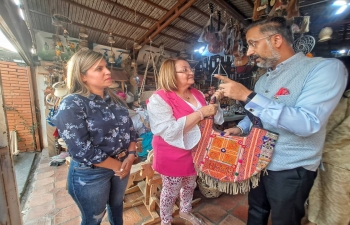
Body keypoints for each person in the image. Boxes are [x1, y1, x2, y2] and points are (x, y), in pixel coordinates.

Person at [215, 16, 348, 225]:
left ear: (276, 40)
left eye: (252, 44)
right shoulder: (263, 80)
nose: (249, 52)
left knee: (284, 220)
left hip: (291, 168)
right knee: (256, 211)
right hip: (257, 160)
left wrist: (247, 96)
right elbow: (256, 116)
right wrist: (240, 129)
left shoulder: (324, 69)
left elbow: (308, 123)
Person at [52, 50, 137, 225]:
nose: (107, 72)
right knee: (93, 219)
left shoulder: (115, 100)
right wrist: (118, 166)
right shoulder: (72, 104)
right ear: (82, 76)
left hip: (122, 164)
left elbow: (130, 129)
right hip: (91, 173)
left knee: (116, 206)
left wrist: (131, 154)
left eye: (106, 66)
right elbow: (81, 149)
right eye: (99, 68)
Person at [147, 58, 224, 225]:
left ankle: (185, 211)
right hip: (171, 152)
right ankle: (166, 220)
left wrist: (214, 103)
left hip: (195, 150)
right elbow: (168, 130)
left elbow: (214, 118)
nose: (191, 72)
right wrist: (201, 113)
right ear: (170, 74)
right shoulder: (159, 98)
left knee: (190, 184)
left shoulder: (196, 93)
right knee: (170, 190)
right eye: (185, 70)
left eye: (190, 69)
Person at [306, 87, 350, 225]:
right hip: (321, 155)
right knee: (316, 198)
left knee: (335, 207)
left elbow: (346, 132)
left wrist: (318, 147)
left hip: (340, 160)